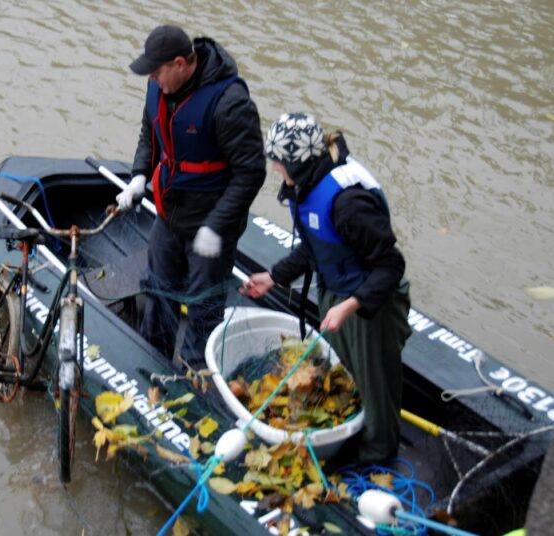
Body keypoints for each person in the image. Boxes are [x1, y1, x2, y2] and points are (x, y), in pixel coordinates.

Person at [241, 112, 412, 464]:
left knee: (373, 385)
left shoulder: (349, 203)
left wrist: (349, 306)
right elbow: (316, 244)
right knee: (342, 375)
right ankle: (344, 435)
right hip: (336, 289)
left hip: (370, 304)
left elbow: (392, 265)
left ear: (297, 161)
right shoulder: (308, 185)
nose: (274, 169)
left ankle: (377, 457)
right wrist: (274, 276)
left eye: (278, 162)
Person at [117, 25, 265, 367]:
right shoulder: (158, 87)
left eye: (157, 72)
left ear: (181, 63)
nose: (153, 80)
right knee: (157, 290)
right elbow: (148, 133)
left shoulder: (230, 103)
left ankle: (196, 379)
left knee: (204, 306)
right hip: (170, 214)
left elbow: (251, 173)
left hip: (211, 223)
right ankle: (151, 365)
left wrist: (216, 226)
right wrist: (139, 175)